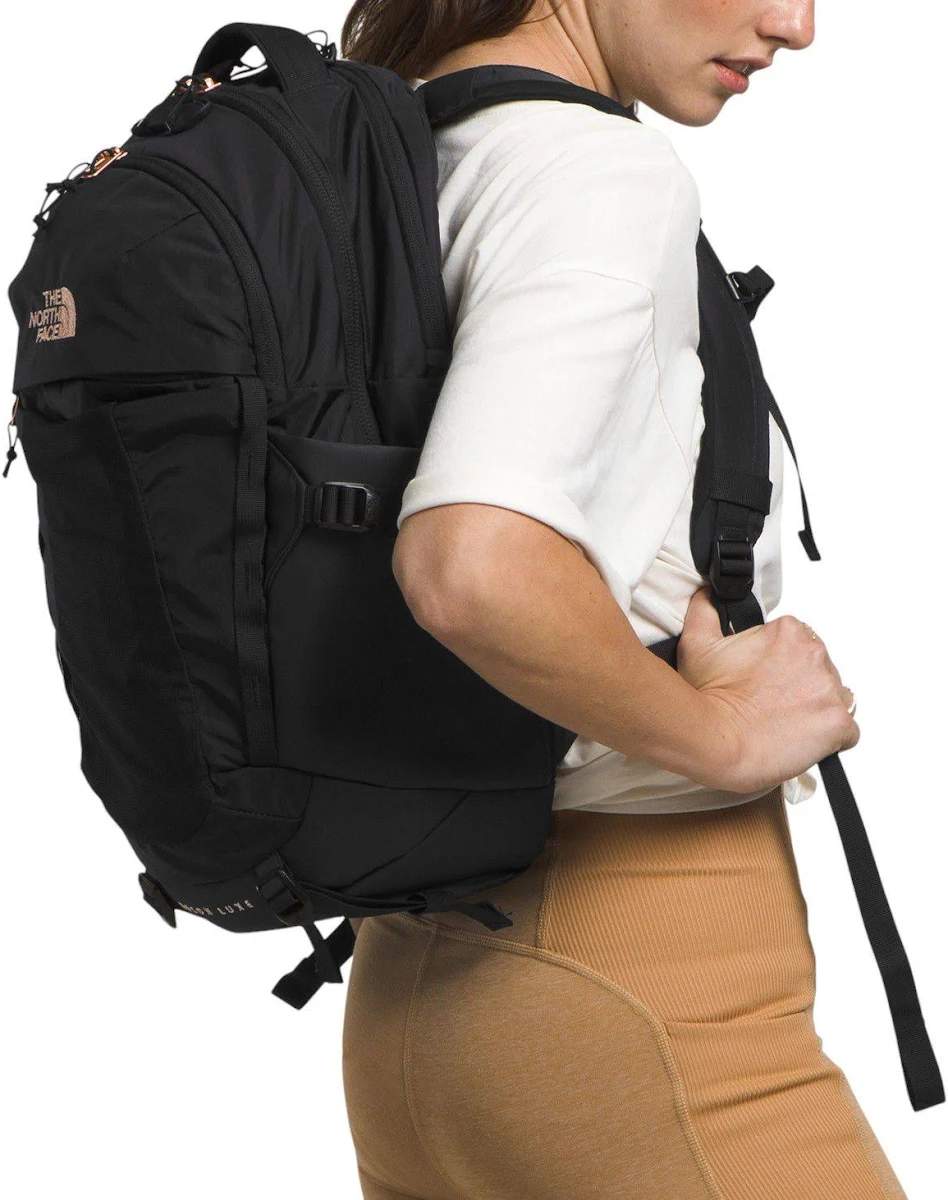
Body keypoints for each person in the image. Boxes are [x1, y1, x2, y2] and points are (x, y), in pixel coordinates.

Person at [338, 2, 902, 1197]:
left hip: (417, 995)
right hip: (645, 982)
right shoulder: (594, 171)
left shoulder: (391, 151)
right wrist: (727, 736)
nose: (797, 24)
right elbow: (470, 563)